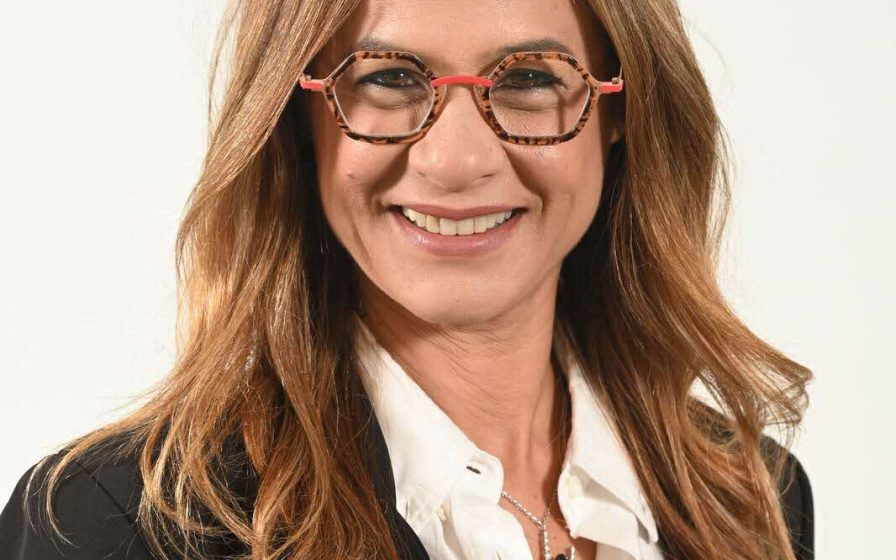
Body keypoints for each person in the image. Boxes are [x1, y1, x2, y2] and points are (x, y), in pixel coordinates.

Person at [0, 1, 814, 559]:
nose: (456, 161)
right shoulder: (114, 528)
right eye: (389, 77)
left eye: (531, 78)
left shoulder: (751, 498)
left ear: (620, 111)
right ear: (295, 116)